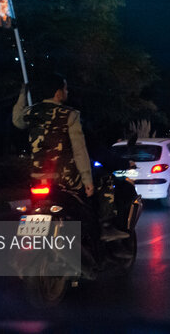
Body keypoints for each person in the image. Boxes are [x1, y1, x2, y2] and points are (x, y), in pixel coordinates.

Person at [12, 74, 128, 241]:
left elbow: (16, 120)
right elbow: (79, 150)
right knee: (105, 179)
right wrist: (87, 181)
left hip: (38, 177)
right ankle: (106, 227)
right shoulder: (70, 115)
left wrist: (23, 94)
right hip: (66, 179)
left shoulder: (31, 112)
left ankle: (30, 238)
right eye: (65, 89)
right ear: (58, 93)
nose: (67, 92)